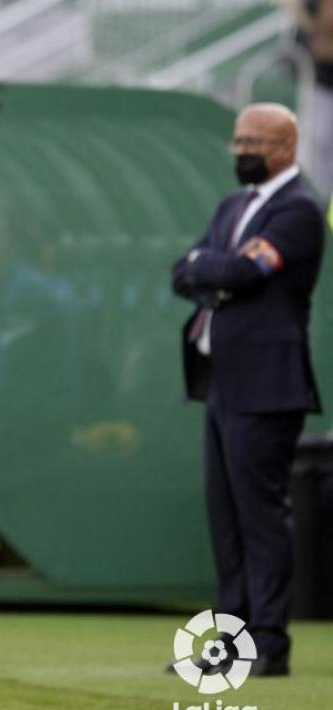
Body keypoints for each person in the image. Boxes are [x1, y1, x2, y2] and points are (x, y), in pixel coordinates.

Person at [171, 103, 326, 678]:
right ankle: (228, 643)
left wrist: (209, 266)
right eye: (237, 141)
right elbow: (180, 272)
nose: (240, 152)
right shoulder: (233, 206)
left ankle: (269, 643)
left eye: (252, 143)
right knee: (225, 517)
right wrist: (210, 265)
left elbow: (239, 274)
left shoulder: (300, 210)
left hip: (266, 387)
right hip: (220, 384)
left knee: (261, 519)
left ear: (286, 146)